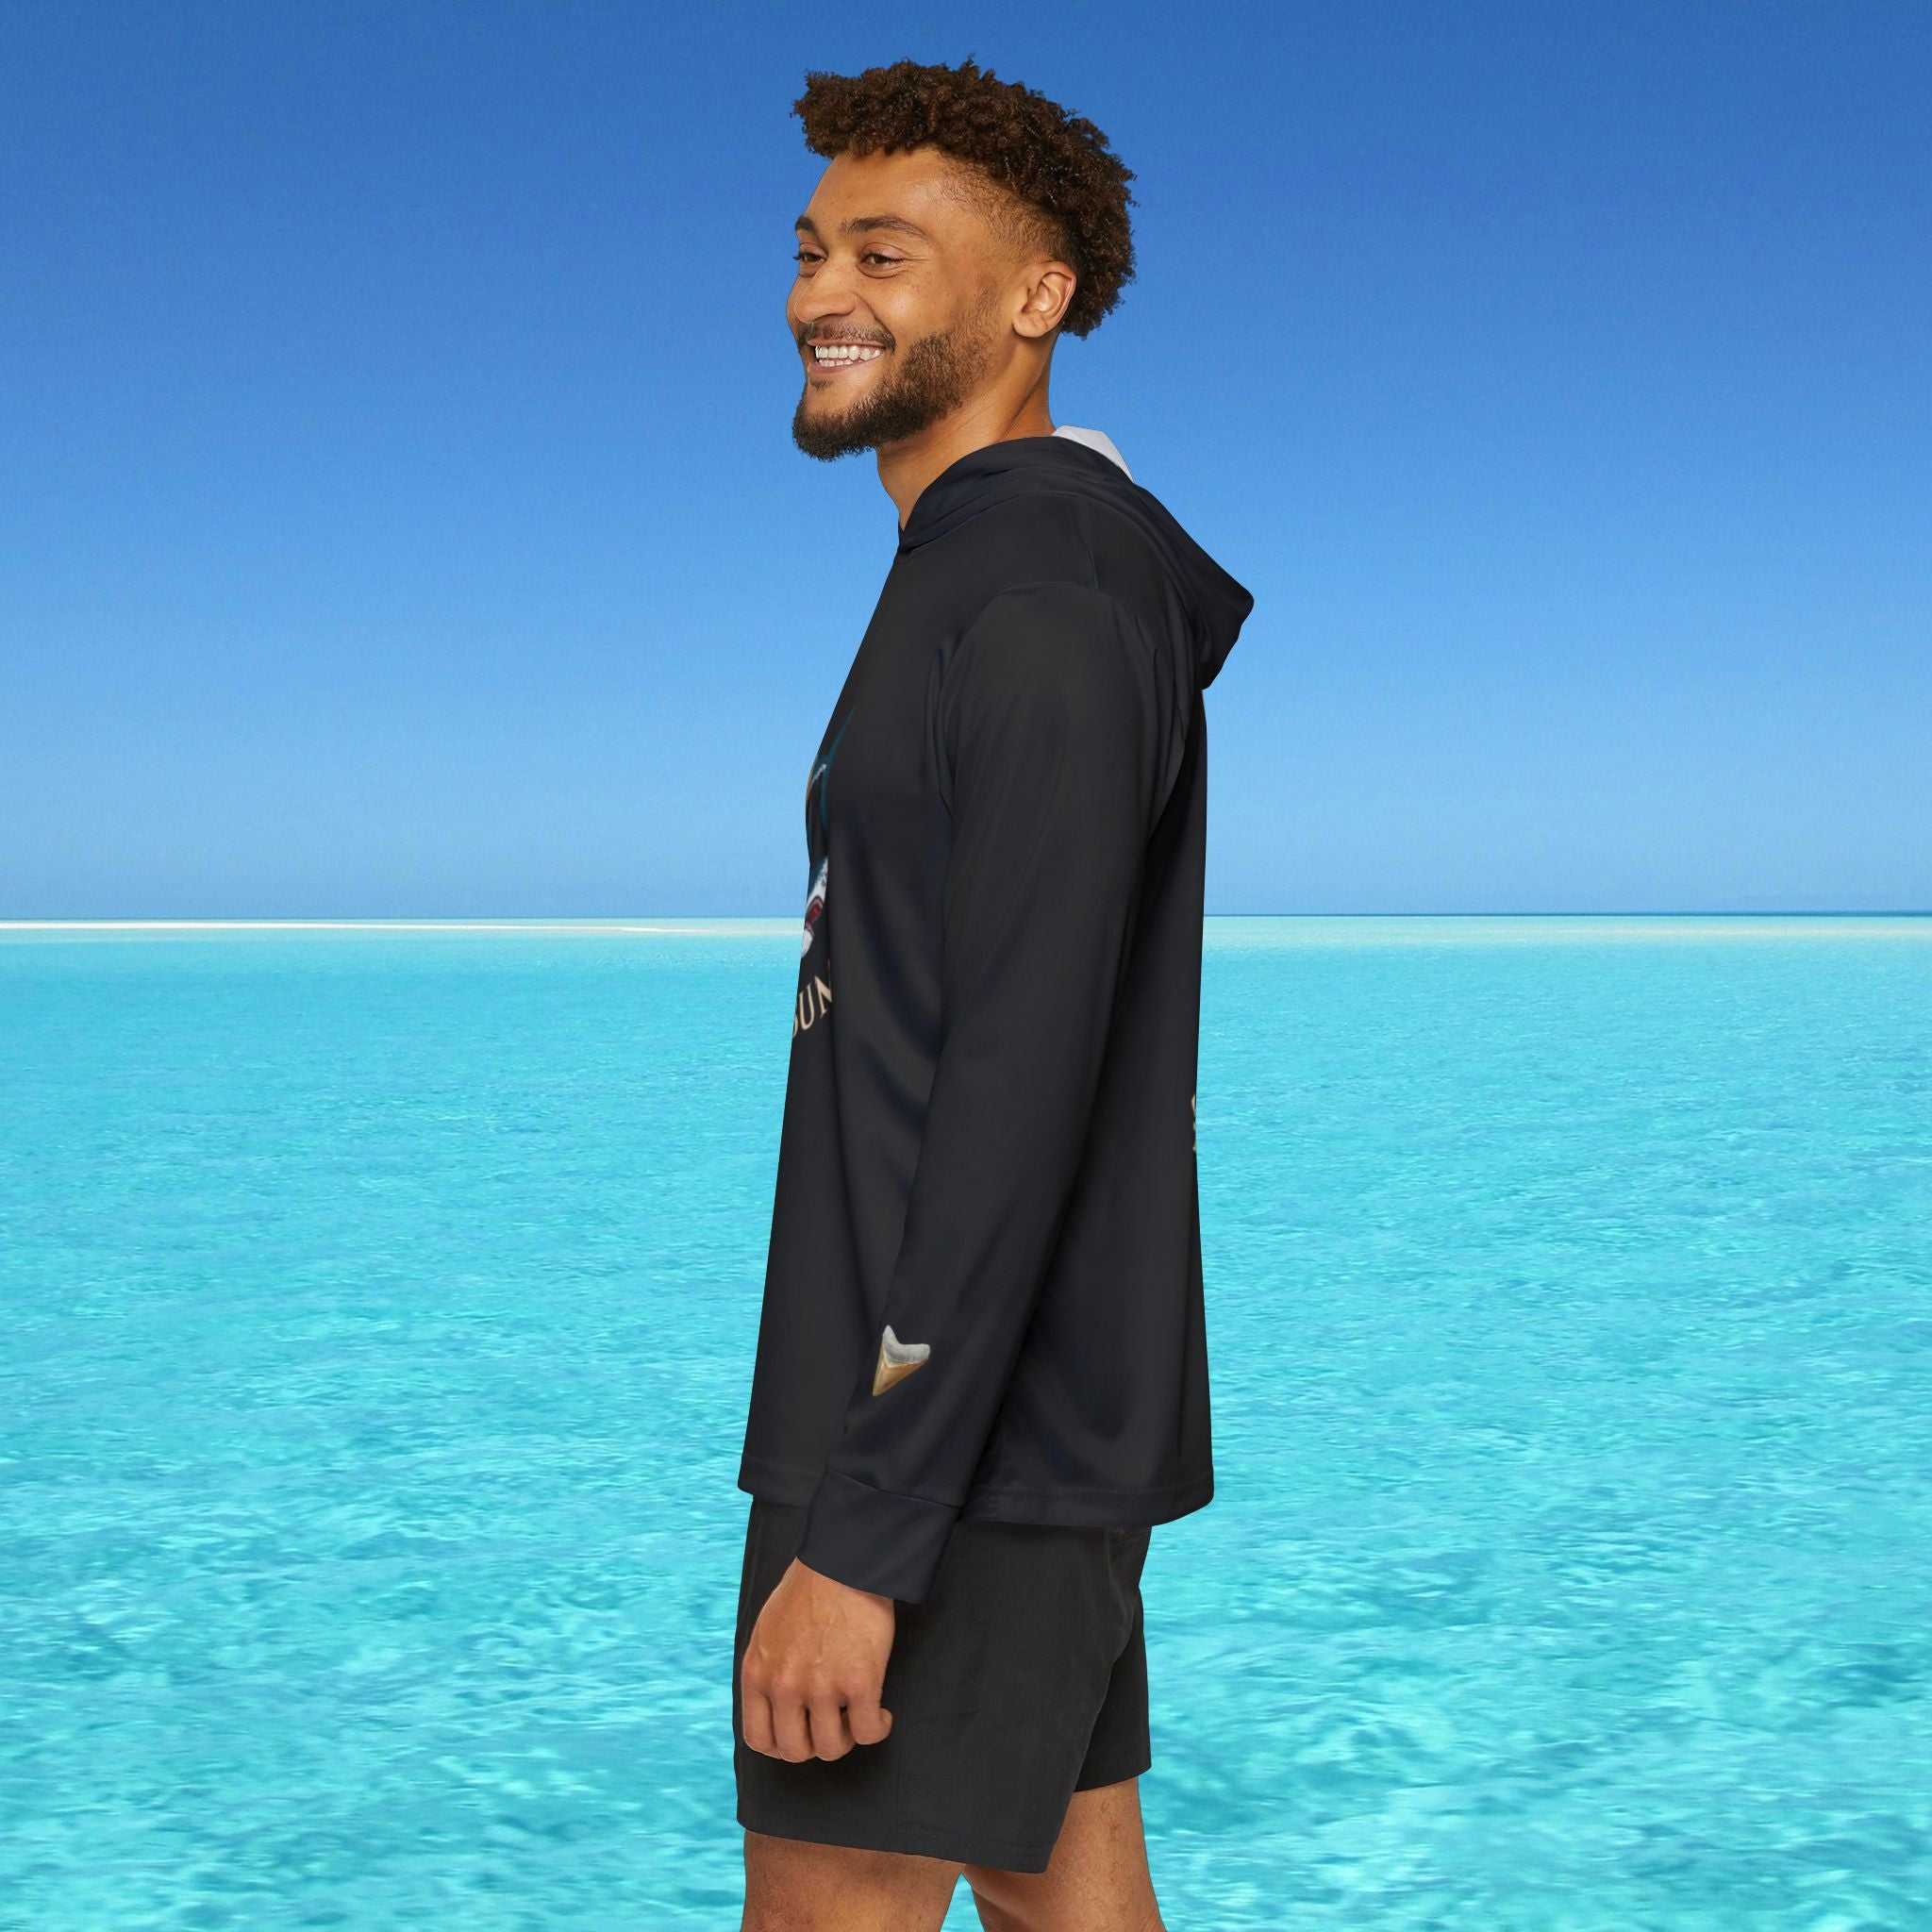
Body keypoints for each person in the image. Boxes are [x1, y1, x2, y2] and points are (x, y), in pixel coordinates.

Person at [732, 55, 1254, 1932]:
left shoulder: (1030, 599)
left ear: (1036, 300)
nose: (817, 293)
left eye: (883, 252)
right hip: (1008, 1435)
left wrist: (865, 1540)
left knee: (829, 1907)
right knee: (1066, 1889)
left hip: (943, 1452)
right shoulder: (991, 574)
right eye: (807, 250)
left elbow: (1018, 1087)